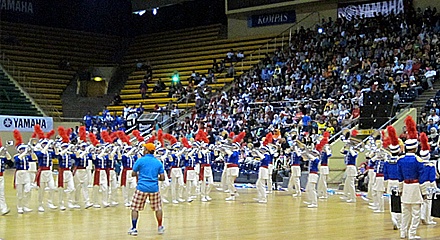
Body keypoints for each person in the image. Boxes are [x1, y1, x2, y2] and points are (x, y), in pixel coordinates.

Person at [128, 143, 165, 236]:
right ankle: (160, 227)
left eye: (144, 148)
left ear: (147, 151)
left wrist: (139, 175)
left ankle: (134, 228)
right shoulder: (158, 162)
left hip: (141, 187)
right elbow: (163, 178)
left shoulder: (140, 161)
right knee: (158, 208)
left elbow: (133, 173)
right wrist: (155, 178)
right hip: (154, 188)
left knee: (135, 208)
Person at [398, 116, 424, 239]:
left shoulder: (400, 160)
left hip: (405, 187)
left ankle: (403, 233)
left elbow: (399, 177)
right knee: (416, 213)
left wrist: (399, 189)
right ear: (415, 148)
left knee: (405, 213)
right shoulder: (418, 160)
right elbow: (422, 177)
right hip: (415, 187)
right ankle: (411, 233)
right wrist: (424, 192)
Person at [0, 144, 11, 215]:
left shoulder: (2, 158)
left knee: (1, 194)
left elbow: (11, 163)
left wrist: (6, 152)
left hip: (1, 177)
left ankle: (4, 208)